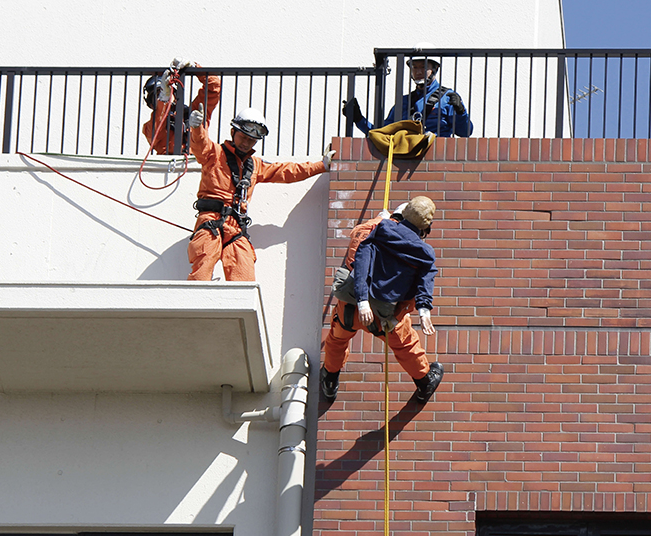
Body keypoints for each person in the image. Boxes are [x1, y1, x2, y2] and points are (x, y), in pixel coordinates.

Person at [185, 106, 335, 281]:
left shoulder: (254, 165)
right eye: (243, 137)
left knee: (244, 274)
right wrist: (197, 128)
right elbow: (200, 146)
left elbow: (286, 171)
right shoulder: (215, 154)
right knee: (202, 269)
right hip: (211, 221)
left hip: (236, 228)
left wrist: (322, 166)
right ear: (233, 132)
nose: (246, 143)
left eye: (252, 140)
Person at [320, 196, 444, 405]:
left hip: (350, 308)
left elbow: (359, 244)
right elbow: (416, 291)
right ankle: (424, 382)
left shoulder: (373, 229)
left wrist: (379, 218)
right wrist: (414, 311)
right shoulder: (416, 250)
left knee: (337, 340)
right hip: (386, 316)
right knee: (407, 345)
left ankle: (330, 379)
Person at [341, 42, 473, 138]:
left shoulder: (447, 98)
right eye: (415, 67)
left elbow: (465, 132)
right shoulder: (404, 102)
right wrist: (358, 119)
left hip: (437, 156)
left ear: (435, 69)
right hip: (407, 157)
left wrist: (461, 112)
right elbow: (382, 133)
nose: (419, 71)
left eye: (424, 67)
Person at [143, 57, 221, 155]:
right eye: (157, 95)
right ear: (151, 104)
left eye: (165, 91)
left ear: (175, 94)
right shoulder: (149, 127)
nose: (162, 97)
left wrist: (195, 67)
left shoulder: (194, 112)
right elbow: (156, 130)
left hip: (197, 161)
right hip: (168, 166)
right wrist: (164, 100)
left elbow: (214, 88)